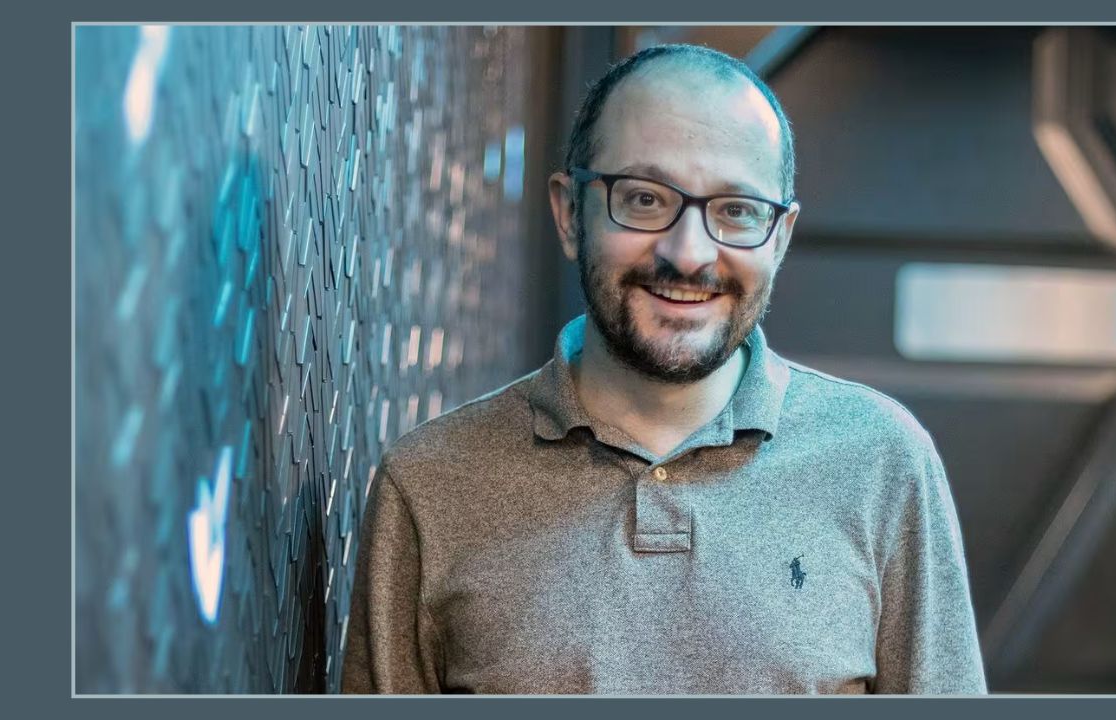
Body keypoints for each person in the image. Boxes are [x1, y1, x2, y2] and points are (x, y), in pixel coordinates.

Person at [342, 43, 986, 695]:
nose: (689, 253)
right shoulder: (428, 485)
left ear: (781, 237)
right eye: (645, 199)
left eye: (736, 210)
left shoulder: (882, 463)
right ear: (569, 214)